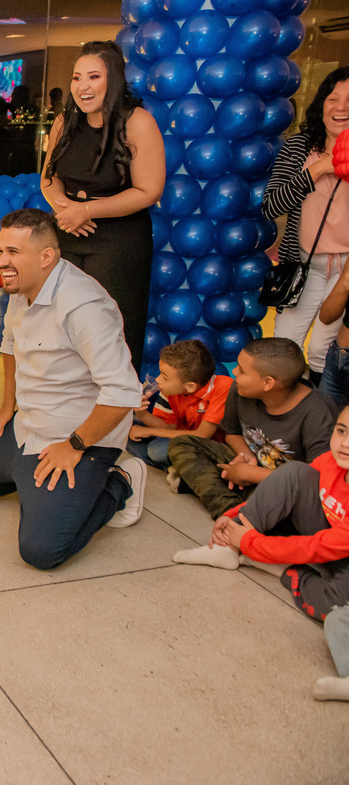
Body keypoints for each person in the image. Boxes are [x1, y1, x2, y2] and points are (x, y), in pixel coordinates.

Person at [0, 209, 145, 570]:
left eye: (13, 252)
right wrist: (6, 407)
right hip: (30, 423)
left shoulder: (83, 307)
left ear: (46, 257)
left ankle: (117, 483)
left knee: (40, 551)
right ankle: (34, 480)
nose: (2, 261)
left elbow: (122, 393)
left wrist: (74, 446)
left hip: (78, 436)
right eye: (0, 250)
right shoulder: (20, 288)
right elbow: (10, 345)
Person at [172, 403, 349, 701]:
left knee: (336, 609)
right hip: (329, 542)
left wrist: (251, 544)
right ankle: (227, 549)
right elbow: (286, 486)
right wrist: (234, 517)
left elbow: (315, 547)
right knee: (295, 473)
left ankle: (277, 567)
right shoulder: (332, 461)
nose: (345, 443)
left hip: (336, 556)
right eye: (342, 431)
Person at [41, 40, 166, 373]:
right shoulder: (64, 121)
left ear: (114, 79)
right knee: (64, 327)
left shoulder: (137, 121)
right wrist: (66, 209)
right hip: (68, 232)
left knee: (111, 330)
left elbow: (149, 190)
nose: (83, 86)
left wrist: (86, 211)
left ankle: (113, 402)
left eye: (93, 77)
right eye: (77, 77)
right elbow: (48, 178)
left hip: (119, 240)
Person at [167, 338, 336, 519]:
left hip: (286, 486)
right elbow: (231, 433)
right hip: (249, 466)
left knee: (293, 509)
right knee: (182, 444)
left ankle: (238, 509)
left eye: (241, 370)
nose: (234, 372)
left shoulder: (319, 415)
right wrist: (245, 456)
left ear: (268, 383)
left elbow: (313, 480)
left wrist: (251, 474)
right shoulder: (239, 389)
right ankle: (233, 511)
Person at [276, 67, 349, 384]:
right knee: (283, 349)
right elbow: (273, 205)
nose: (341, 107)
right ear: (322, 103)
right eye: (333, 98)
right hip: (302, 265)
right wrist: (319, 169)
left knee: (323, 350)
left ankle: (321, 411)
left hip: (346, 271)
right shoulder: (298, 147)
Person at [127, 339, 233, 471]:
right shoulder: (170, 390)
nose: (158, 380)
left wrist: (149, 431)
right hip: (178, 435)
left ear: (190, 386)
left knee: (157, 451)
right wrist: (142, 414)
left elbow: (202, 435)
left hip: (207, 445)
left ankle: (183, 470)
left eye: (165, 377)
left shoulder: (222, 387)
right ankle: (175, 469)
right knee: (125, 426)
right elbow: (168, 427)